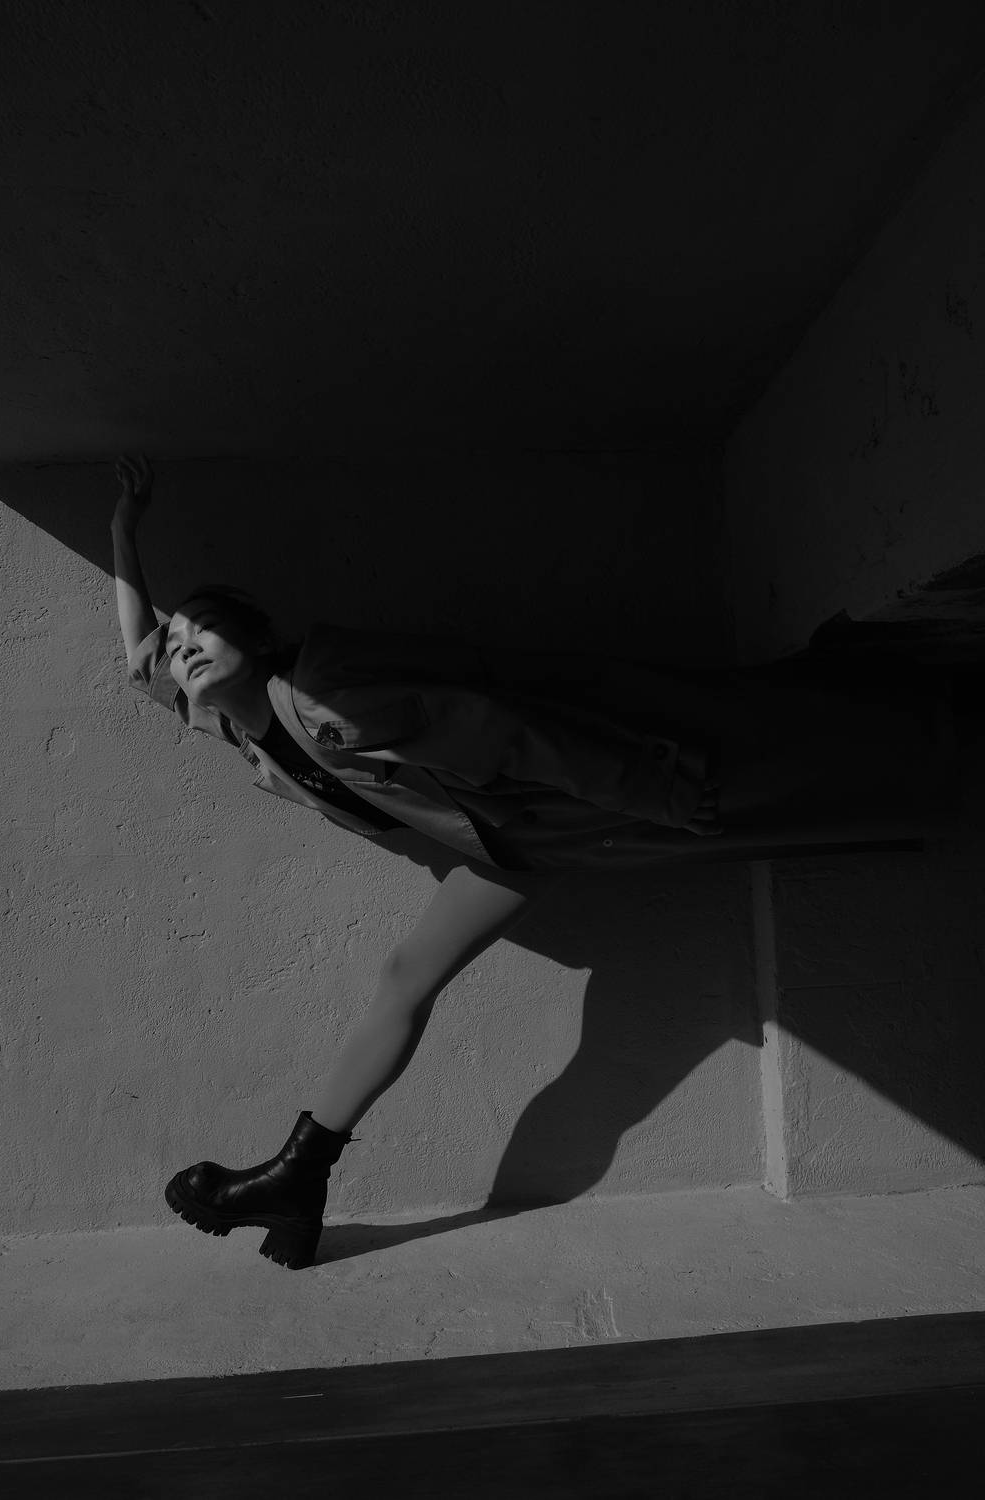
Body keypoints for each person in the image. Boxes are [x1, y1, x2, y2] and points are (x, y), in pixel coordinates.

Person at [111, 454, 976, 1270]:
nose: (183, 643)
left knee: (754, 781)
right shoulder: (243, 733)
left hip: (561, 804)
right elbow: (140, 657)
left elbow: (504, 730)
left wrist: (649, 787)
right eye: (178, 641)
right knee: (407, 980)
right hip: (499, 845)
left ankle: (936, 747)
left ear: (256, 637)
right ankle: (298, 1178)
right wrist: (124, 529)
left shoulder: (320, 693)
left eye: (205, 625)